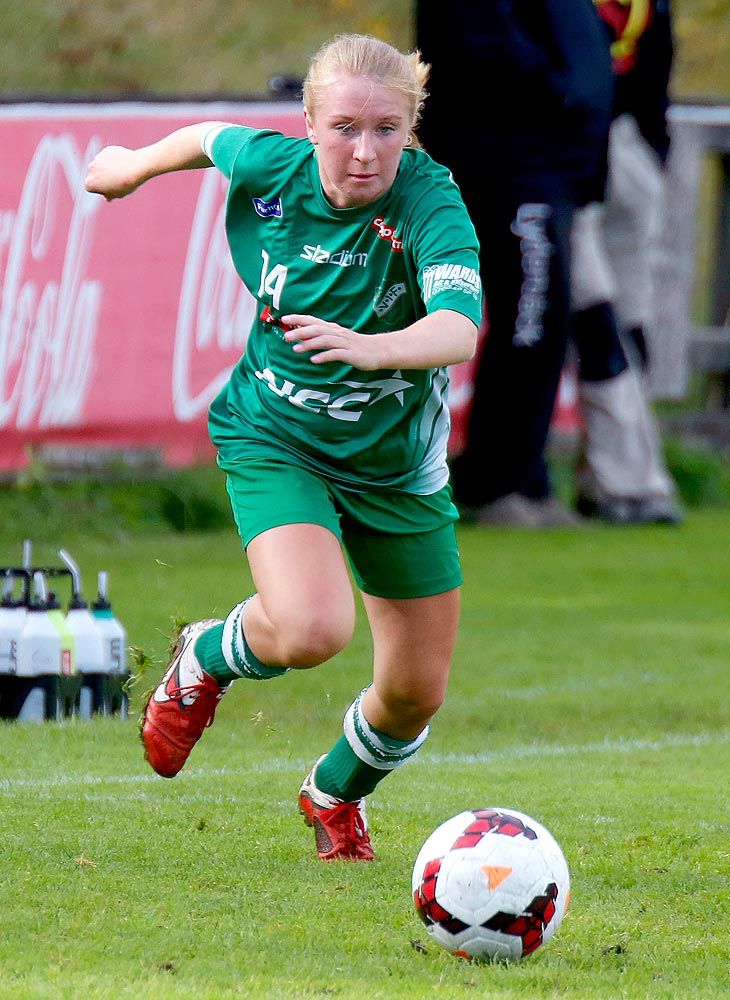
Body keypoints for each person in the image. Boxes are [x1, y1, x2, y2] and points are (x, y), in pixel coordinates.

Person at [83, 34, 482, 861]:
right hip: (276, 435)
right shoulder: (271, 167)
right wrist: (132, 165)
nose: (364, 151)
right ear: (306, 122)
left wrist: (377, 346)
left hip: (396, 472)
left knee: (414, 693)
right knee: (310, 629)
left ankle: (332, 792)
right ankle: (209, 652)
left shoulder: (429, 203)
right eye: (342, 128)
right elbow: (204, 139)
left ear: (411, 128)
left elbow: (457, 327)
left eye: (386, 130)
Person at [417, 0, 615, 527]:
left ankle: (525, 477)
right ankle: (493, 481)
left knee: (541, 327)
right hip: (511, 163)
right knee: (528, 322)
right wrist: (564, 91)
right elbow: (486, 48)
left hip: (552, 167)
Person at [569, 0, 682, 525]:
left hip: (607, 149)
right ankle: (621, 476)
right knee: (607, 320)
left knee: (616, 322)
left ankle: (626, 476)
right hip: (601, 155)